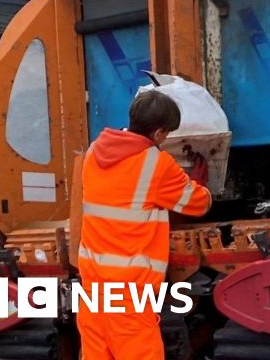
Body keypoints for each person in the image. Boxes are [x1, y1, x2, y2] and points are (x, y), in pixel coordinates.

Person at [76, 90, 212, 360]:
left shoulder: (93, 153)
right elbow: (198, 204)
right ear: (160, 133)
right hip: (129, 295)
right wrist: (199, 182)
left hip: (92, 290)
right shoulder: (157, 164)